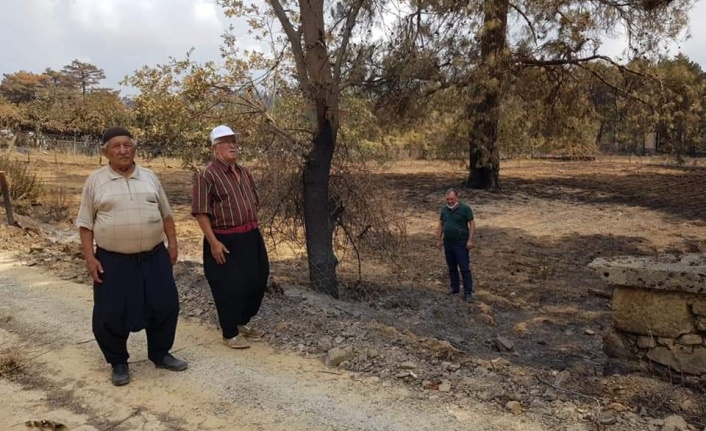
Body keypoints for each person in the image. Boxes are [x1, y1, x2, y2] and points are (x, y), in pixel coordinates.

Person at [76, 126, 188, 386]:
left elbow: (167, 215)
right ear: (106, 152)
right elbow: (85, 225)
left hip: (154, 256)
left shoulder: (149, 177)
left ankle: (160, 354)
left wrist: (172, 244)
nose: (123, 150)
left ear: (134, 148)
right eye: (116, 146)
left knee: (165, 304)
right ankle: (118, 362)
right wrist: (90, 258)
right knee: (111, 312)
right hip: (113, 260)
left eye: (127, 145)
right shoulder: (95, 181)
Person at [192, 125, 269, 350]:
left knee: (257, 279)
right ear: (215, 149)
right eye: (226, 142)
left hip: (251, 234)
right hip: (225, 239)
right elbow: (201, 212)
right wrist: (213, 242)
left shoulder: (244, 172)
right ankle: (229, 332)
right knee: (229, 286)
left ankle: (242, 321)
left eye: (234, 141)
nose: (232, 145)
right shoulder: (207, 175)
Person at [436, 188, 476, 303]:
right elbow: (441, 225)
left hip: (461, 243)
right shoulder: (444, 210)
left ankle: (468, 293)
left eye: (452, 199)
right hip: (448, 242)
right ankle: (455, 289)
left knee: (464, 268)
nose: (449, 201)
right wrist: (438, 240)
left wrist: (470, 240)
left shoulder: (465, 209)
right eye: (447, 199)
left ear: (456, 198)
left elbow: (472, 224)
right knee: (451, 266)